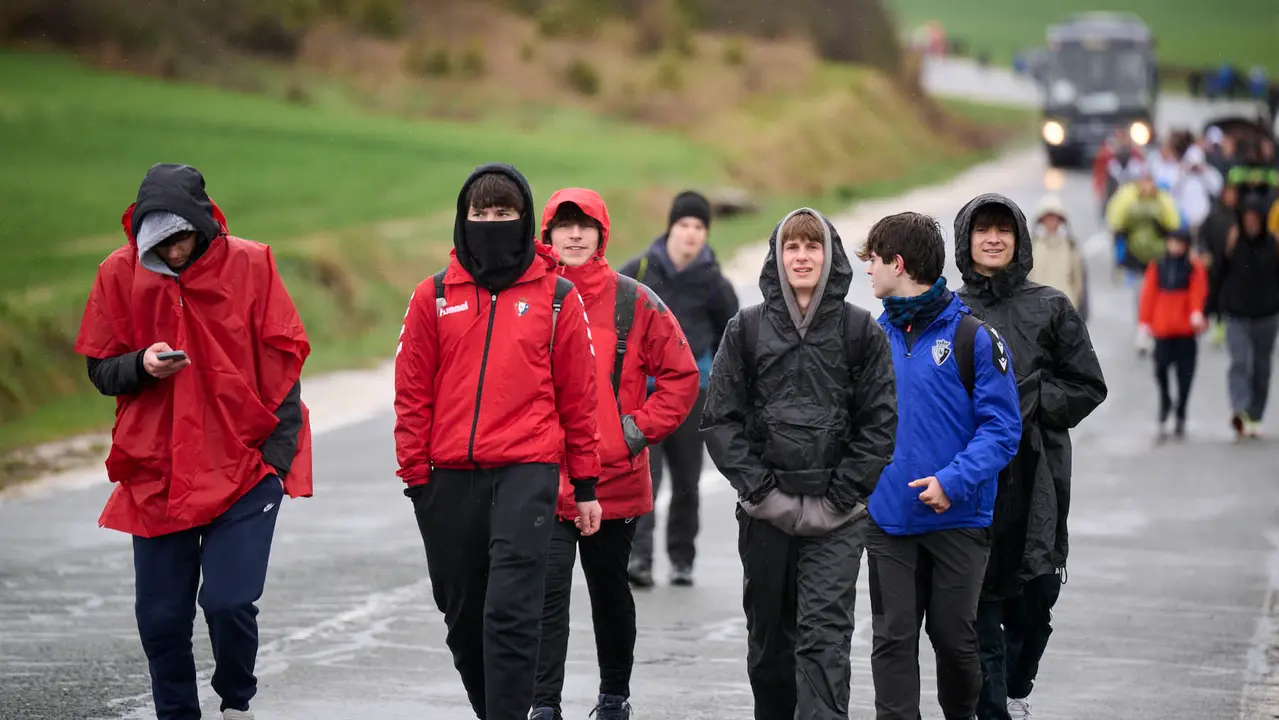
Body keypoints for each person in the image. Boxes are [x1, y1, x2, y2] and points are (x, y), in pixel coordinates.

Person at [75, 163, 312, 720]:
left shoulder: (251, 264)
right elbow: (101, 369)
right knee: (161, 620)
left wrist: (275, 460)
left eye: (180, 238)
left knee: (228, 602)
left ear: (202, 224)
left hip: (245, 467)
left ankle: (236, 700)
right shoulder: (118, 273)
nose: (173, 252)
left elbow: (284, 364)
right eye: (158, 244)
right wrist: (141, 364)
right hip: (157, 470)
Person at [393, 164, 602, 720]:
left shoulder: (557, 297)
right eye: (480, 213)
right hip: (446, 478)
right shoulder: (433, 295)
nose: (491, 222)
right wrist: (416, 478)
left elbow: (579, 398)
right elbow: (411, 392)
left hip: (527, 472)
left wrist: (585, 484)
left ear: (524, 219)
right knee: (462, 616)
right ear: (463, 220)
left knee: (510, 612)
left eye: (503, 213)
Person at [701, 208, 897, 719]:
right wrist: (763, 494)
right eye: (793, 247)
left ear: (830, 257)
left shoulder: (860, 331)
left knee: (825, 642)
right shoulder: (746, 329)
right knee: (770, 647)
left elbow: (879, 424)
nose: (803, 257)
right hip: (766, 515)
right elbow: (720, 420)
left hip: (838, 519)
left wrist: (840, 498)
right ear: (778, 257)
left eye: (813, 247)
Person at [531, 189, 700, 720]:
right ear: (546, 234)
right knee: (546, 597)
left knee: (609, 593)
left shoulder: (634, 300)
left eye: (585, 226)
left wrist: (631, 433)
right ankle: (543, 704)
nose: (574, 235)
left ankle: (613, 698)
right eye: (563, 225)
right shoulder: (527, 298)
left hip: (613, 481)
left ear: (602, 234)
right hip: (543, 479)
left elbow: (681, 376)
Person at [859, 212, 1022, 720]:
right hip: (888, 520)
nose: (868, 270)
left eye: (874, 260)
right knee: (892, 640)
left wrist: (952, 482)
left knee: (954, 640)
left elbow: (1002, 430)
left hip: (958, 519)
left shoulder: (976, 338)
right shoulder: (871, 339)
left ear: (898, 264)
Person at [953, 194, 1108, 720]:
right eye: (983, 229)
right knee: (981, 600)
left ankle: (1018, 681)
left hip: (1038, 470)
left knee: (1035, 593)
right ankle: (992, 706)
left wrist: (1034, 398)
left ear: (1019, 239)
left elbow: (1088, 385)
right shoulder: (950, 311)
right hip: (973, 474)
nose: (993, 239)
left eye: (1004, 230)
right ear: (966, 239)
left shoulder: (1051, 306)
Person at [619, 190, 739, 587]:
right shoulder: (639, 270)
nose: (691, 233)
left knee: (687, 481)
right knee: (644, 478)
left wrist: (721, 387)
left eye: (699, 226)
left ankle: (682, 559)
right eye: (684, 224)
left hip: (693, 395)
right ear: (671, 227)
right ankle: (639, 558)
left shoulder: (714, 282)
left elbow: (732, 338)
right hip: (643, 394)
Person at [1216, 197, 1279, 439]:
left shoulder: (1273, 244)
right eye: (1247, 219)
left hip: (1266, 315)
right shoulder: (1234, 242)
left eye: (1255, 219)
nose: (1251, 223)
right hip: (1237, 313)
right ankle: (1239, 409)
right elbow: (1219, 274)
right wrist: (1213, 308)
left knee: (1261, 368)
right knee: (1240, 361)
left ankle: (1255, 414)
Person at [1137, 227, 1209, 440]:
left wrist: (1196, 312)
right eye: (1172, 242)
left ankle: (1181, 411)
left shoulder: (1194, 267)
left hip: (1186, 330)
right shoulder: (1158, 266)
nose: (1175, 247)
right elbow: (1148, 294)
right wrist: (1144, 323)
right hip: (1163, 329)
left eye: (1179, 243)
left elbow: (1198, 291)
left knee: (1185, 375)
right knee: (1160, 369)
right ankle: (1166, 400)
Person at [1027, 195, 1088, 321]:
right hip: (1038, 310)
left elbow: (1078, 280)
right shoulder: (1032, 247)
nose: (1051, 222)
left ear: (1060, 220)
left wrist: (1079, 309)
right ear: (1041, 220)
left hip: (1065, 310)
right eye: (1047, 218)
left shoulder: (1070, 246)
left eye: (1054, 217)